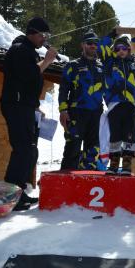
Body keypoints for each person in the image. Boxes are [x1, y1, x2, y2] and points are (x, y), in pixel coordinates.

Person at [0, 16, 58, 210]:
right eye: (43, 35)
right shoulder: (19, 50)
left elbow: (27, 85)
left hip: (24, 106)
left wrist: (34, 105)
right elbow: (30, 75)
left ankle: (19, 191)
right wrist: (48, 60)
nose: (45, 39)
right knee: (23, 150)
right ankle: (11, 195)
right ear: (33, 32)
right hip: (15, 106)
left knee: (30, 151)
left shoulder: (29, 51)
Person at [98, 28, 135, 175]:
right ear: (114, 50)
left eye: (124, 48)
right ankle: (114, 164)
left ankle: (127, 165)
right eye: (117, 48)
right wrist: (113, 33)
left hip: (131, 105)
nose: (121, 51)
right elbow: (101, 47)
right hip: (114, 103)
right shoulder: (109, 62)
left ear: (129, 50)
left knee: (130, 135)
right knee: (115, 135)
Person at [58, 30, 104, 170]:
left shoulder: (102, 66)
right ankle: (66, 184)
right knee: (73, 149)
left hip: (96, 113)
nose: (93, 46)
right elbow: (63, 90)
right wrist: (63, 110)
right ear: (82, 45)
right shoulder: (72, 65)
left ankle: (87, 184)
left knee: (92, 151)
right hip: (76, 113)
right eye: (89, 43)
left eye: (95, 43)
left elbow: (109, 91)